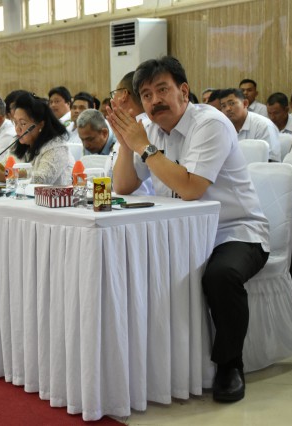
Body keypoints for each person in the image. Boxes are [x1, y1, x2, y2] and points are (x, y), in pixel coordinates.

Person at [108, 56, 269, 403]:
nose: (155, 101)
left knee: (221, 276)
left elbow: (191, 187)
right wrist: (124, 141)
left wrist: (143, 147)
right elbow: (123, 186)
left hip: (235, 231)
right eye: (146, 95)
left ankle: (230, 365)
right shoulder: (148, 130)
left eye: (162, 90)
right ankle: (156, 363)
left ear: (184, 91)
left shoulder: (210, 123)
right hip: (180, 236)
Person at [11, 93, 74, 185]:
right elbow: (4, 166)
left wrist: (8, 175)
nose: (17, 129)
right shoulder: (20, 144)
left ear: (40, 125)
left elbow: (41, 180)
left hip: (53, 194)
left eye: (23, 123)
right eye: (15, 123)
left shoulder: (56, 147)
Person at [219, 88, 281, 161]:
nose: (227, 109)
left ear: (245, 103)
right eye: (223, 106)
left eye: (232, 103)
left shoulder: (263, 126)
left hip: (260, 168)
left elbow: (272, 160)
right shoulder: (223, 128)